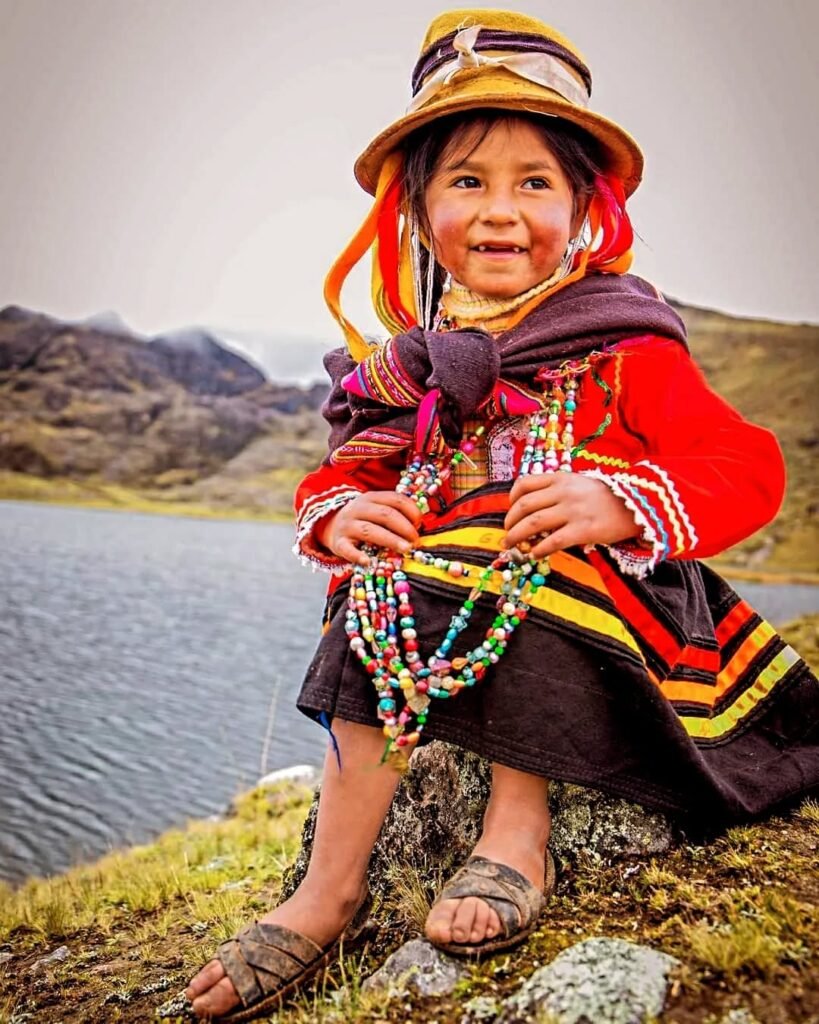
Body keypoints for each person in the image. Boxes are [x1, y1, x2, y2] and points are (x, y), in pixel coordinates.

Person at [186, 9, 819, 1021]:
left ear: (583, 206)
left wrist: (617, 499)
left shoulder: (624, 344)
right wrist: (347, 516)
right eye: (466, 181)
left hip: (616, 607)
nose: (500, 211)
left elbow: (746, 466)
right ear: (418, 207)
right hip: (461, 604)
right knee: (381, 567)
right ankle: (326, 890)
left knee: (511, 522)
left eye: (535, 183)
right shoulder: (416, 368)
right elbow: (342, 472)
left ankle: (515, 827)